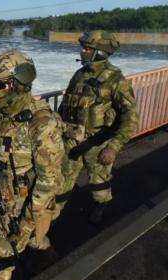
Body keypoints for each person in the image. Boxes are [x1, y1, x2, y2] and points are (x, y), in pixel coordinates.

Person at [0, 50, 64, 280]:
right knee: (34, 240)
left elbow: (49, 180)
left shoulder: (41, 123)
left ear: (17, 83)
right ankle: (46, 254)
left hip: (22, 210)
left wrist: (26, 222)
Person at [56, 30, 138, 224]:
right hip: (72, 141)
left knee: (99, 181)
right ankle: (52, 217)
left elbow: (131, 117)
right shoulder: (79, 75)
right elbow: (65, 105)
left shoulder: (116, 80)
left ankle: (100, 206)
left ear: (99, 52)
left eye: (87, 48)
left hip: (98, 143)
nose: (82, 52)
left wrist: (114, 146)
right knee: (62, 180)